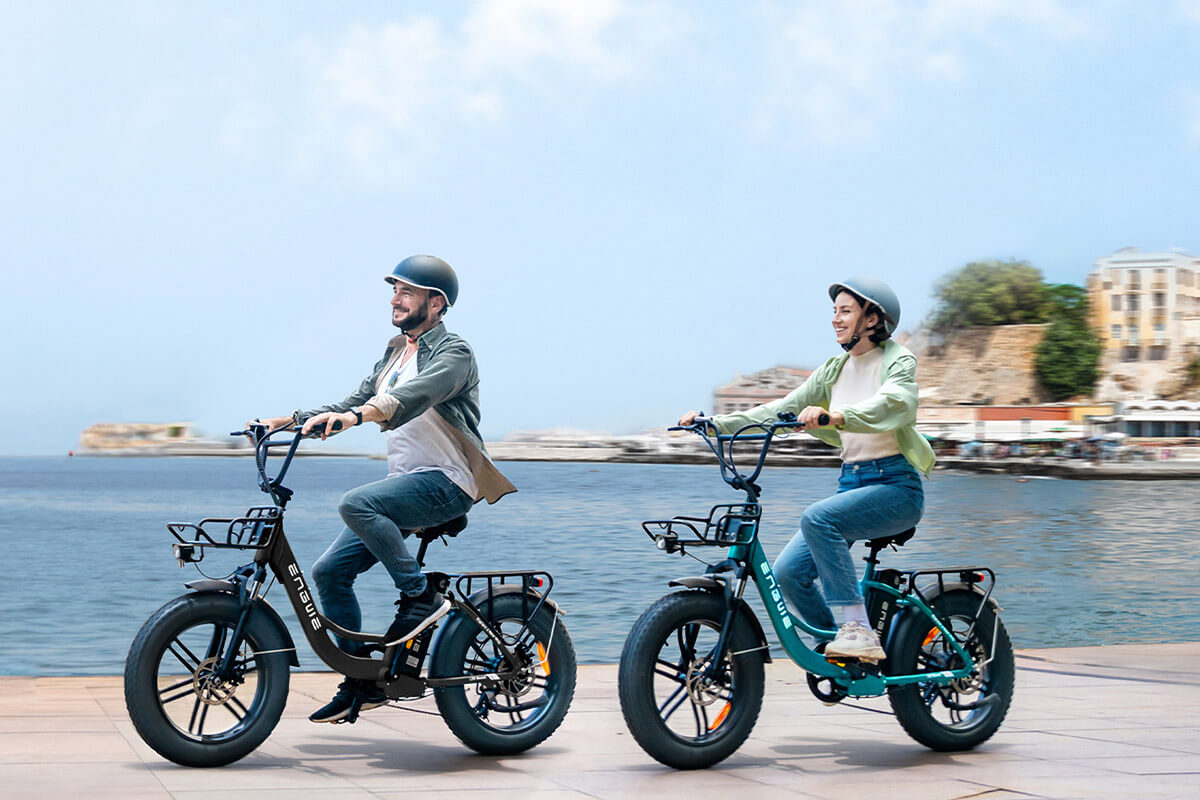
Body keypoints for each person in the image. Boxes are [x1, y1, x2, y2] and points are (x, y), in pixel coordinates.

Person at [250, 254, 515, 722]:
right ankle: (362, 678)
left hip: (449, 481)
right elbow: (356, 400)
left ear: (436, 304)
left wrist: (357, 417)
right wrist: (288, 421)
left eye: (407, 291)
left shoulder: (455, 353)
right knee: (330, 572)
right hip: (407, 483)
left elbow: (411, 397)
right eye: (394, 289)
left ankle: (419, 596)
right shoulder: (396, 352)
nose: (396, 298)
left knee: (356, 503)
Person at [680, 277, 934, 662]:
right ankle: (842, 654)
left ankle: (858, 629)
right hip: (852, 485)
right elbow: (776, 410)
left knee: (818, 518)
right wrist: (713, 424)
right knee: (788, 574)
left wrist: (837, 416)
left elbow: (896, 404)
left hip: (896, 487)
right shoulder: (834, 370)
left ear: (872, 319)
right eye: (834, 311)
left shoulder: (897, 361)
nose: (835, 319)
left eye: (845, 311)